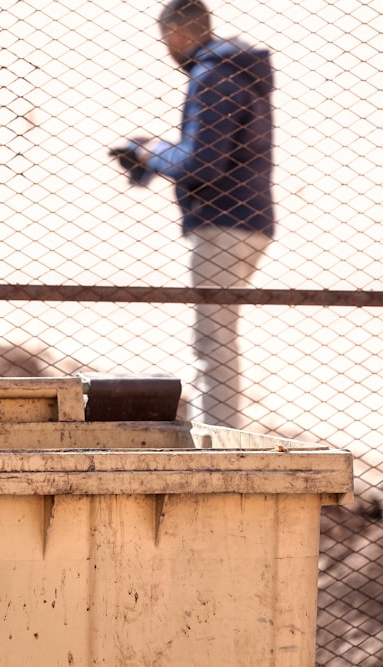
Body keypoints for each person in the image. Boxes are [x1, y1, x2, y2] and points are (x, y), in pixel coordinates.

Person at [113, 0, 275, 428]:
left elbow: (202, 163)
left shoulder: (212, 76)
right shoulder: (238, 73)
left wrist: (149, 151)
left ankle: (218, 442)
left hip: (224, 222)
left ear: (177, 33)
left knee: (212, 342)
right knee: (220, 338)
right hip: (247, 220)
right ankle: (223, 434)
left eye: (165, 37)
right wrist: (158, 154)